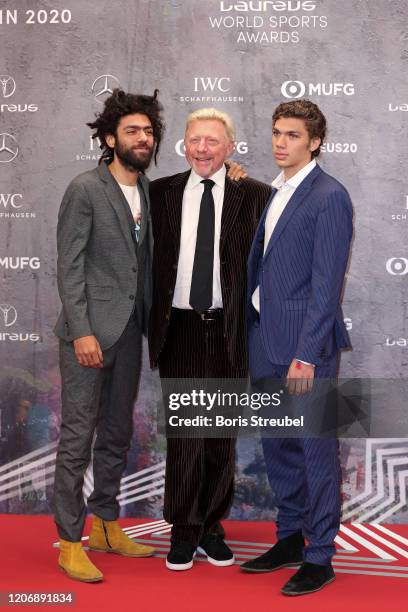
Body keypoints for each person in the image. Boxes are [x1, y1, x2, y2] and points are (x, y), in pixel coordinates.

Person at [149, 108, 272, 571]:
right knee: (186, 436)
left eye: (213, 141)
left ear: (231, 148)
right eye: (195, 139)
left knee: (220, 434)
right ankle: (184, 530)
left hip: (228, 329)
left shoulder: (255, 195)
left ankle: (212, 526)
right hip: (179, 327)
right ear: (183, 144)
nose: (203, 148)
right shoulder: (159, 193)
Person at [241, 100, 353, 596]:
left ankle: (320, 554)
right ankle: (289, 537)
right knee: (278, 445)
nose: (280, 142)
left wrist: (307, 354)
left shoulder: (330, 196)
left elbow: (327, 287)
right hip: (264, 339)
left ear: (315, 142)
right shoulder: (277, 189)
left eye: (291, 135)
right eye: (276, 133)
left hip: (305, 350)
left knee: (314, 450)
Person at [53, 89, 165, 582]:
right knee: (78, 437)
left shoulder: (149, 191)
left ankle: (105, 525)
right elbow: (69, 264)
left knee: (117, 433)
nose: (143, 138)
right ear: (108, 138)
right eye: (132, 131)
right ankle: (69, 541)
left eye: (148, 131)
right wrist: (81, 331)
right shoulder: (85, 188)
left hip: (130, 331)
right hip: (90, 336)